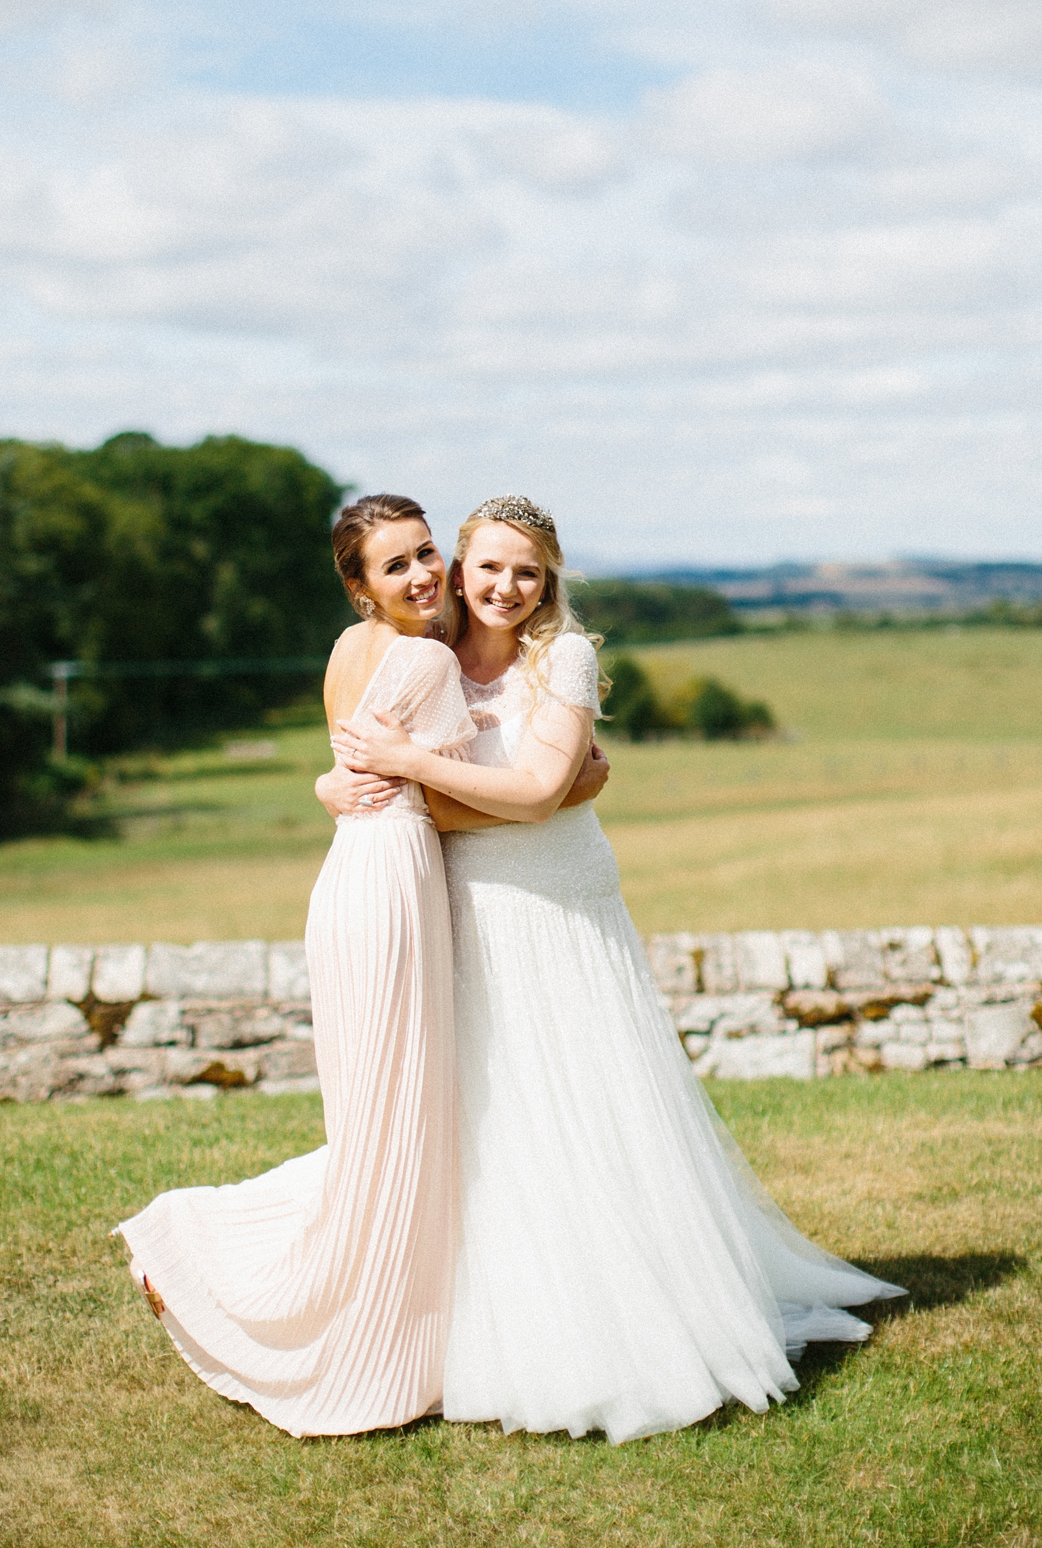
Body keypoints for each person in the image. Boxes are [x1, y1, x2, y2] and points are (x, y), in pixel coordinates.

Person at [331, 494, 906, 1445]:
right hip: (468, 904)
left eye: (528, 570)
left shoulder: (565, 657)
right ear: (461, 571)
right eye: (488, 568)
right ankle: (495, 1318)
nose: (506, 587)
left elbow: (533, 792)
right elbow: (365, 782)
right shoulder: (417, 645)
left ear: (548, 575)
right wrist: (350, 780)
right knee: (494, 1107)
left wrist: (428, 771)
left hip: (560, 902)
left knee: (590, 1102)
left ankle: (633, 1317)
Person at [117, 493, 478, 1437]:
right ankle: (350, 1325)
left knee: (373, 1114)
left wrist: (336, 785)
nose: (422, 574)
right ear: (359, 586)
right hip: (394, 883)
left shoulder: (342, 651)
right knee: (400, 1115)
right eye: (395, 565)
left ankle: (301, 1287)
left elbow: (349, 771)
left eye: (426, 552)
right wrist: (561, 786)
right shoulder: (432, 658)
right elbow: (458, 801)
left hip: (348, 881)